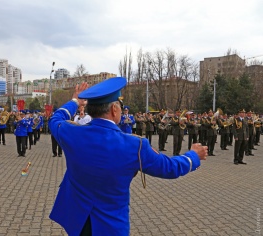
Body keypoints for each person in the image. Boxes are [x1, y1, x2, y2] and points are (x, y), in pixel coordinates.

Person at [49, 77, 208, 235]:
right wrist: (193, 156)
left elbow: (56, 118)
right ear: (114, 110)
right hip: (111, 227)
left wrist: (75, 101)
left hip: (78, 222)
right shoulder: (135, 146)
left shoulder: (71, 132)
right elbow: (170, 168)